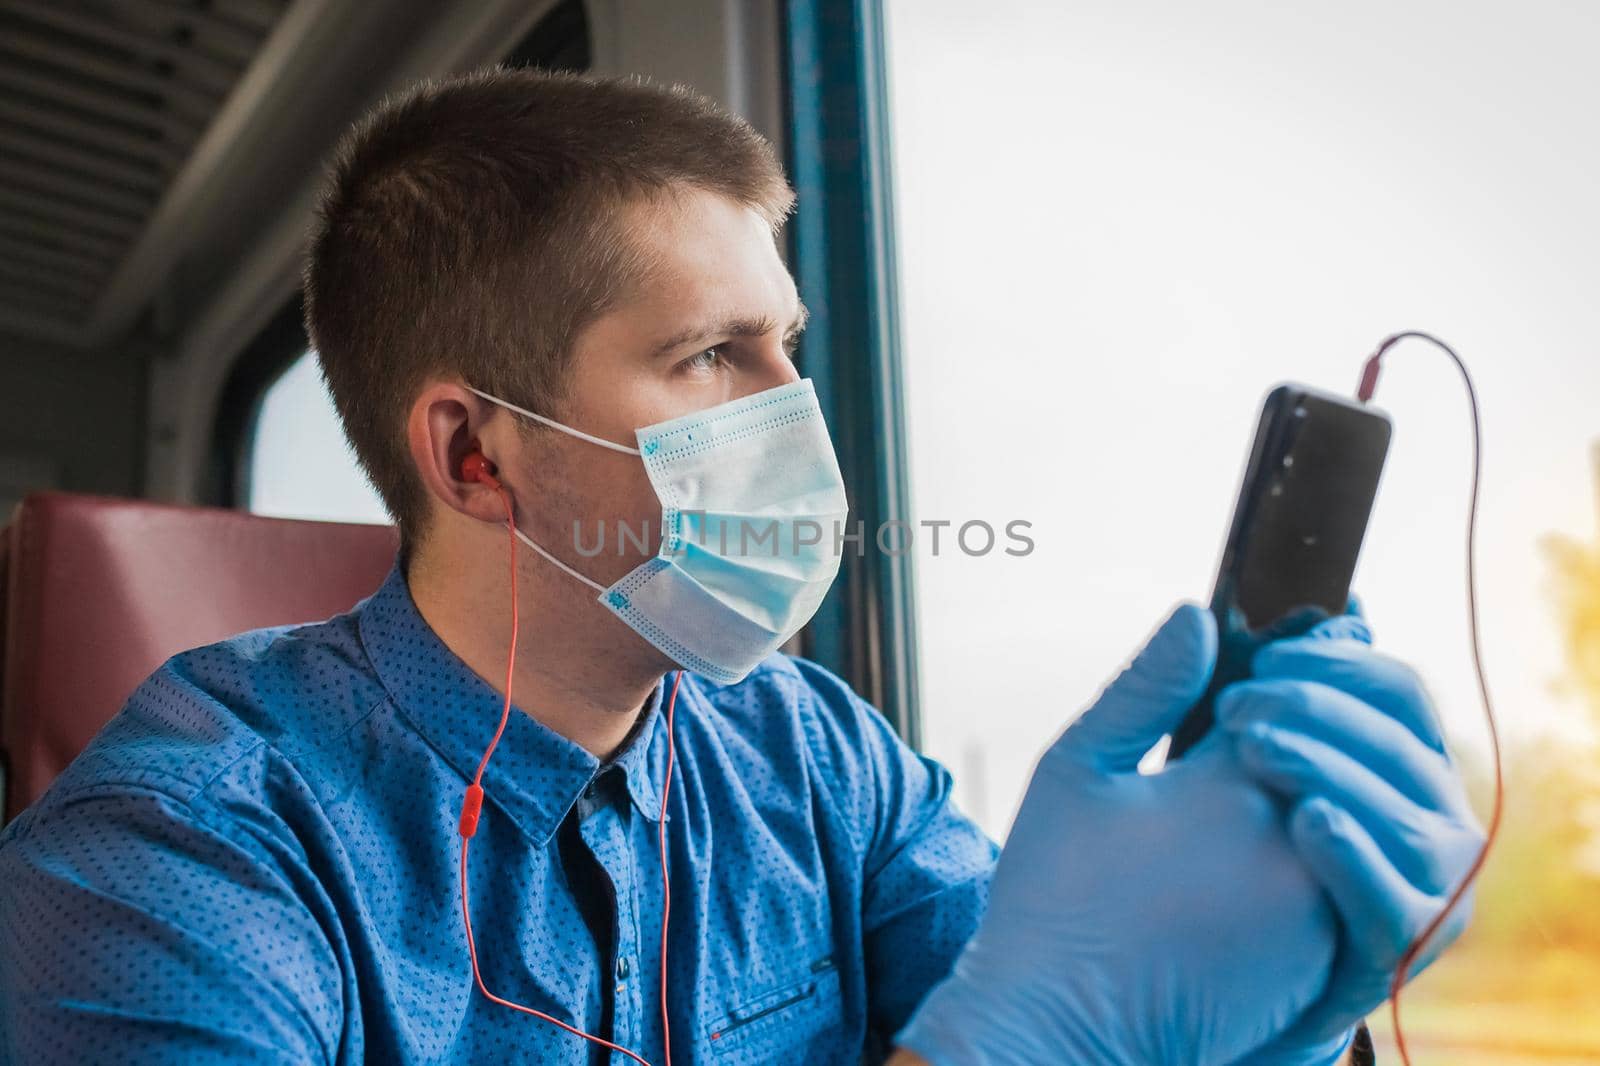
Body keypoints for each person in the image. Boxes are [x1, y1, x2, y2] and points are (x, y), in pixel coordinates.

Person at [0, 69, 1482, 1065]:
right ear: (474, 456)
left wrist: (1253, 1003)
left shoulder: (817, 758)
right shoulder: (169, 859)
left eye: (793, 348)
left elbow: (1041, 1000)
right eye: (713, 355)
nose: (797, 416)